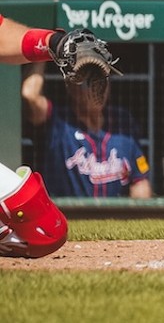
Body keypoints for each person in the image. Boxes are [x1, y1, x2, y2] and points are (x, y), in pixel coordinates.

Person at [0, 14, 115, 258]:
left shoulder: (121, 132)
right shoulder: (60, 123)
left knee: (43, 230)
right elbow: (31, 96)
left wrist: (55, 43)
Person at [21, 65, 150, 199]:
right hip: (69, 215)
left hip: (114, 217)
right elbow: (29, 95)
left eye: (102, 81)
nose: (98, 89)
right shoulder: (57, 122)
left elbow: (139, 181)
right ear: (71, 88)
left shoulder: (122, 121)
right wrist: (43, 51)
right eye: (89, 83)